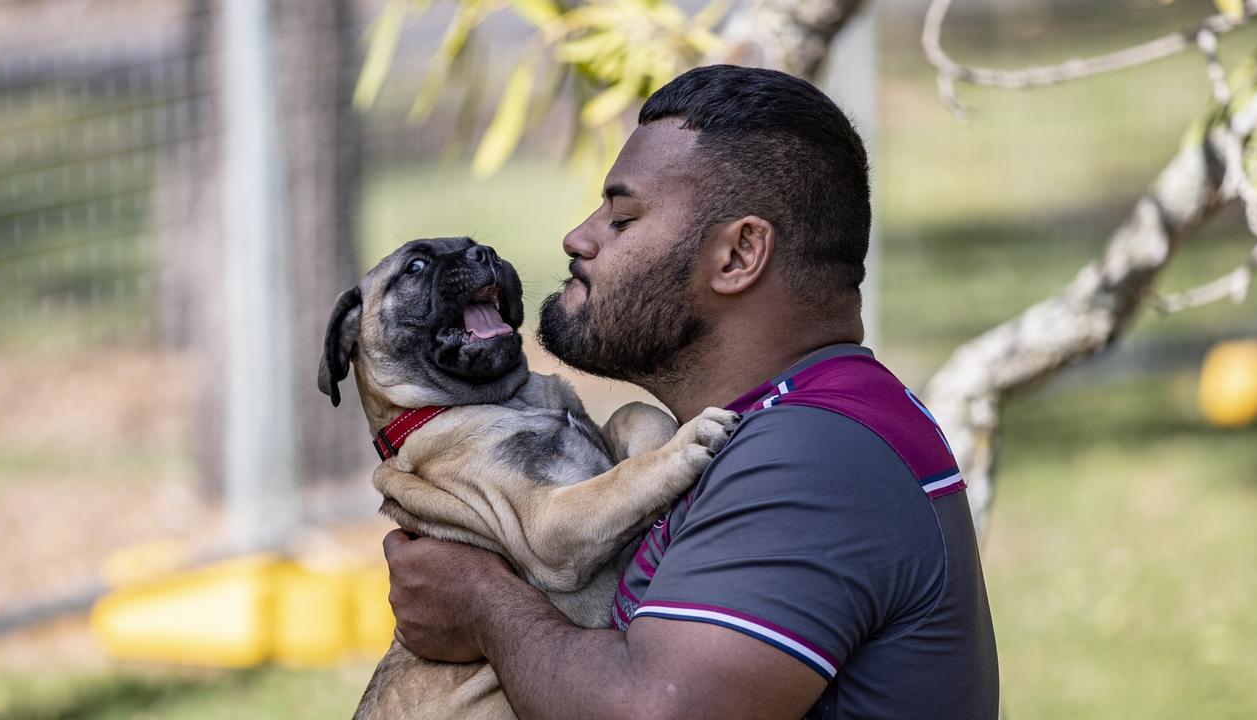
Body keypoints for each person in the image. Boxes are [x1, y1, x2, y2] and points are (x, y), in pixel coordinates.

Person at [381, 65, 999, 720]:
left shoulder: (814, 456)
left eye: (622, 217)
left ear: (737, 257)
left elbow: (656, 711)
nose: (578, 238)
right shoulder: (801, 423)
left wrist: (482, 604)